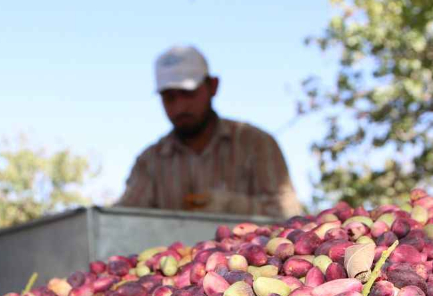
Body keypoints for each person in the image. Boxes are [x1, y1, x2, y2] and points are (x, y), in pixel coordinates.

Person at [118, 45, 303, 218]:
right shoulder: (150, 162)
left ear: (213, 86)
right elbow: (122, 219)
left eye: (188, 94)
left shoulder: (256, 144)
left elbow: (290, 214)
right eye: (169, 98)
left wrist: (231, 205)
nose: (180, 107)